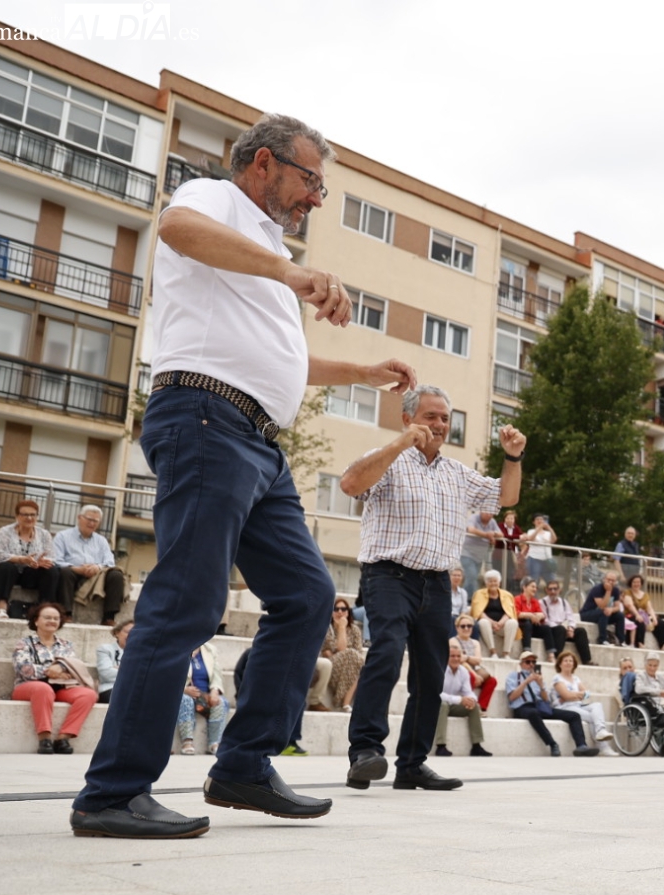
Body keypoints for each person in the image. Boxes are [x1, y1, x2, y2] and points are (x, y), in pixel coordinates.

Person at [74, 114, 414, 838]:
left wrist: (363, 371)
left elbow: (282, 360)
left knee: (308, 594)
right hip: (204, 417)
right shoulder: (215, 202)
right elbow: (175, 231)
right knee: (188, 601)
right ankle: (111, 792)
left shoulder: (262, 249)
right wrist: (291, 273)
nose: (316, 198)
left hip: (258, 442)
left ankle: (244, 765)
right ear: (264, 164)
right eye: (311, 180)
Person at [337, 385, 524, 792]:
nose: (439, 425)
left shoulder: (457, 473)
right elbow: (350, 483)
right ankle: (365, 752)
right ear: (408, 419)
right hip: (389, 575)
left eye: (444, 418)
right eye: (430, 416)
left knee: (431, 672)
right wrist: (400, 444)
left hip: (437, 582)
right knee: (386, 650)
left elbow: (506, 496)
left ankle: (412, 764)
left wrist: (512, 457)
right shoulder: (388, 459)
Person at [12, 602, 96, 755]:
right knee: (43, 689)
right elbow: (24, 669)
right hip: (28, 686)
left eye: (56, 618)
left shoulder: (66, 645)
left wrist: (61, 668)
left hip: (60, 687)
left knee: (88, 694)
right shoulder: (24, 643)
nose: (52, 621)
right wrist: (51, 670)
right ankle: (44, 737)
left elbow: (73, 667)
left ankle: (63, 737)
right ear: (36, 620)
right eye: (47, 617)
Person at [505, 651, 596, 756]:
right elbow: (512, 697)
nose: (531, 664)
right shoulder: (513, 676)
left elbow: (546, 699)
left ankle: (581, 746)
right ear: (521, 664)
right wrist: (526, 682)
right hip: (523, 707)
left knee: (574, 716)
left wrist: (541, 685)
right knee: (533, 713)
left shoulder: (538, 678)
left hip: (540, 706)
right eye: (528, 662)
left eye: (533, 662)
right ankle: (552, 744)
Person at [0, 499, 62, 619]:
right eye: (25, 514)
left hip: (28, 573)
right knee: (8, 566)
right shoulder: (5, 532)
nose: (29, 518)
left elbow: (51, 556)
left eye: (33, 515)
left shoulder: (44, 534)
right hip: (1, 571)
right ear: (17, 516)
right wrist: (20, 559)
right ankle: (1, 606)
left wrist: (41, 562)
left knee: (51, 570)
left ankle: (45, 608)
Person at [52, 505, 127, 624]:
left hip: (97, 575)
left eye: (95, 521)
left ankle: (109, 617)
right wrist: (76, 568)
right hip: (73, 572)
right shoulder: (62, 536)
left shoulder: (101, 541)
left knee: (116, 575)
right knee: (65, 571)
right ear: (79, 518)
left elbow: (110, 562)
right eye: (89, 519)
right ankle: (66, 614)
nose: (92, 523)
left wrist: (97, 567)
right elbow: (56, 560)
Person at [550, 650, 614, 754]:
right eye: (565, 660)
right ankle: (603, 747)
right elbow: (566, 696)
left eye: (571, 661)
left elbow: (587, 694)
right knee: (592, 716)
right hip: (565, 707)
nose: (568, 663)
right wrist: (578, 694)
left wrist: (574, 695)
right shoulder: (557, 678)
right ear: (560, 664)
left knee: (597, 705)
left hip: (578, 705)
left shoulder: (575, 678)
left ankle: (601, 731)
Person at [433, 642, 489, 758]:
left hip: (451, 704)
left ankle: (476, 745)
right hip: (435, 705)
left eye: (458, 656)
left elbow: (467, 691)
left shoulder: (463, 672)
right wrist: (460, 700)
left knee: (474, 706)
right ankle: (440, 746)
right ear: (446, 657)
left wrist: (471, 700)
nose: (456, 659)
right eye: (452, 656)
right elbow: (436, 694)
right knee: (442, 705)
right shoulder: (439, 669)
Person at [177, 642, 231, 756]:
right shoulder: (178, 647)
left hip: (205, 694)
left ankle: (214, 743)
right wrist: (184, 689)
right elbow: (171, 674)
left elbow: (217, 675)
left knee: (220, 702)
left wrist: (215, 691)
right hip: (185, 691)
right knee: (185, 700)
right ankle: (187, 742)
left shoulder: (209, 649)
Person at [321, 597, 364, 713]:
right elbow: (330, 652)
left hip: (353, 664)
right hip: (333, 664)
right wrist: (341, 628)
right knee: (350, 653)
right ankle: (344, 702)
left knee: (358, 661)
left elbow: (359, 653)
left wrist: (345, 655)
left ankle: (345, 702)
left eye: (343, 609)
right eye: (336, 609)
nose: (340, 612)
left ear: (348, 612)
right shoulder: (327, 629)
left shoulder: (355, 630)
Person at [450, 614, 499, 714]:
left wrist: (467, 657)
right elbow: (460, 661)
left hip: (474, 669)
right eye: (463, 626)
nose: (466, 628)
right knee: (469, 677)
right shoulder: (453, 641)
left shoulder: (475, 642)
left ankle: (481, 707)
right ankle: (468, 704)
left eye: (469, 626)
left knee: (492, 681)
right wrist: (475, 674)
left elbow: (478, 660)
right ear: (457, 628)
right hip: (460, 670)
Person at [469, 569, 520, 659]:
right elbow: (478, 612)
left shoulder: (507, 595)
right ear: (486, 583)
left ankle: (506, 653)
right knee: (483, 622)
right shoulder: (479, 594)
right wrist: (492, 622)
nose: (493, 583)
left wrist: (500, 623)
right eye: (490, 581)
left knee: (513, 622)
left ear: (499, 583)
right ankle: (493, 652)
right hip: (487, 626)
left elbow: (509, 612)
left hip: (501, 626)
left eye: (495, 581)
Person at [540, 578, 592, 665]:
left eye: (555, 589)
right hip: (552, 630)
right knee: (560, 629)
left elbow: (571, 618)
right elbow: (545, 620)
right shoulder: (542, 602)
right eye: (550, 589)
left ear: (559, 590)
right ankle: (557, 657)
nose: (553, 591)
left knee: (581, 631)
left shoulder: (564, 602)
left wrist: (570, 628)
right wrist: (561, 627)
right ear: (546, 590)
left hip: (564, 630)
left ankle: (586, 660)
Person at [622, 574, 664, 650]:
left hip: (645, 616)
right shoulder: (627, 592)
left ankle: (663, 645)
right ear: (631, 583)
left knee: (662, 623)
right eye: (634, 582)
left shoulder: (645, 595)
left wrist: (654, 618)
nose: (636, 584)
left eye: (638, 582)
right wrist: (637, 615)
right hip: (631, 615)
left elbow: (649, 608)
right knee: (639, 621)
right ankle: (640, 643)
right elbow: (629, 605)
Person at [459, 511, 500, 597]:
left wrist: (494, 534)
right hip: (467, 553)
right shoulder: (474, 517)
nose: (489, 515)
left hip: (479, 556)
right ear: (481, 512)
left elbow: (501, 534)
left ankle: (464, 597)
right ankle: (472, 598)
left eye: (491, 513)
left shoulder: (492, 521)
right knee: (472, 575)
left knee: (472, 578)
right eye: (487, 512)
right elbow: (471, 529)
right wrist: (486, 535)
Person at [580, 571, 625, 646]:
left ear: (616, 582)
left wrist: (611, 609)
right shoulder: (597, 589)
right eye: (608, 579)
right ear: (604, 579)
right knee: (603, 612)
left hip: (604, 615)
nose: (610, 582)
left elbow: (617, 607)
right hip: (587, 614)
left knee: (620, 615)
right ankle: (602, 639)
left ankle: (621, 640)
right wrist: (608, 591)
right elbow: (602, 606)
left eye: (613, 580)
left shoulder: (616, 590)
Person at [95, 619, 133, 705]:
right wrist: (132, 671)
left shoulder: (142, 653)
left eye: (135, 633)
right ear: (117, 633)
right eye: (127, 632)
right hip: (110, 689)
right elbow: (106, 674)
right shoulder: (105, 649)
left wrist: (121, 668)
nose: (131, 635)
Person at [514, 578, 548, 659]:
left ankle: (551, 654)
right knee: (527, 623)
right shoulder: (517, 599)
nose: (535, 589)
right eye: (532, 587)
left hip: (532, 627)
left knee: (546, 628)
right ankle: (526, 650)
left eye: (536, 587)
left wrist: (539, 616)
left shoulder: (535, 601)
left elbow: (542, 614)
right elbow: (516, 614)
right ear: (524, 587)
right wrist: (530, 615)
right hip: (521, 626)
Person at [520, 513, 558, 586]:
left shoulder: (547, 533)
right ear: (534, 522)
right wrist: (538, 528)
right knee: (534, 581)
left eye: (541, 519)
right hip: (534, 559)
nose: (539, 521)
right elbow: (531, 539)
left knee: (552, 581)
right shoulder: (531, 531)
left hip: (547, 560)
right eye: (537, 519)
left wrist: (549, 528)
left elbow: (554, 540)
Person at [498, 510, 524, 588]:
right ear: (504, 519)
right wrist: (518, 537)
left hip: (510, 555)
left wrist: (523, 536)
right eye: (508, 518)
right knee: (499, 573)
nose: (510, 520)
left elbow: (522, 536)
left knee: (509, 574)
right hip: (499, 554)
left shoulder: (516, 528)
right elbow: (503, 535)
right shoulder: (500, 526)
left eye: (512, 518)